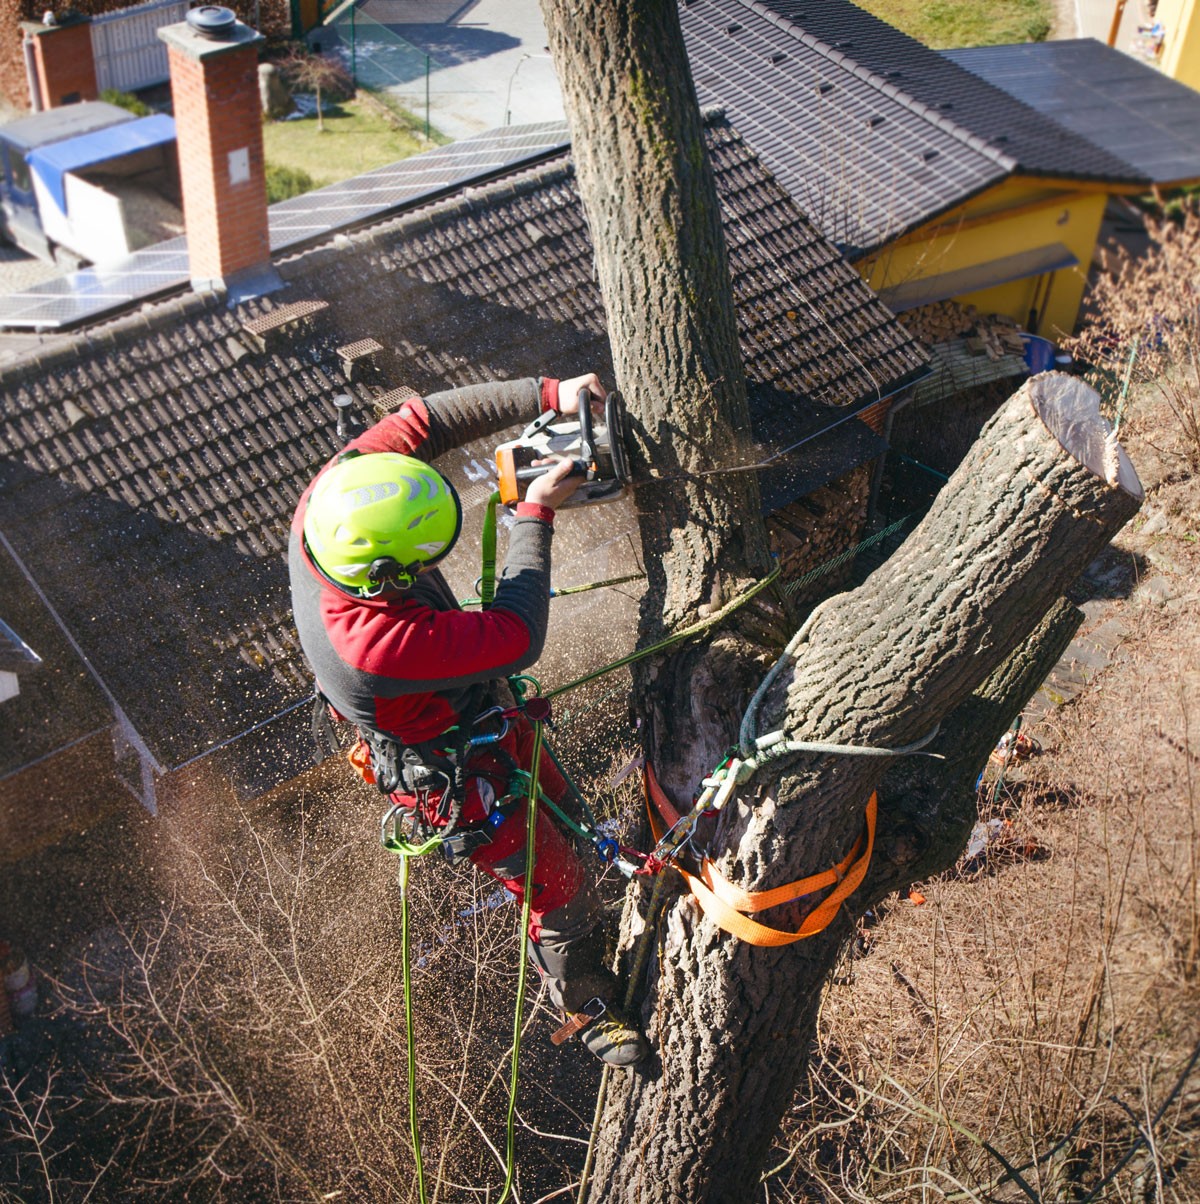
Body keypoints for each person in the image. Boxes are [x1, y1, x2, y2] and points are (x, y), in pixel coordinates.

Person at [288, 373, 649, 1068]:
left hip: (484, 712)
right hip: (454, 768)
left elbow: (425, 419)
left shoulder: (337, 496)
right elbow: (517, 631)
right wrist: (533, 516)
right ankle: (588, 1007)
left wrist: (549, 392)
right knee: (556, 886)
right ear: (386, 575)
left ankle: (602, 869)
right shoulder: (375, 648)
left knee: (566, 812)